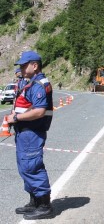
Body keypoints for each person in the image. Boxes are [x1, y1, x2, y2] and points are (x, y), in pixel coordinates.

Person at [6, 51, 54, 220]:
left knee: (32, 166)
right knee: (25, 167)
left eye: (23, 65)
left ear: (35, 66)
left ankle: (44, 205)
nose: (21, 68)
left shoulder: (39, 84)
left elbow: (40, 111)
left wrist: (16, 117)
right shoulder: (30, 82)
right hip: (24, 131)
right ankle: (34, 201)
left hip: (32, 132)